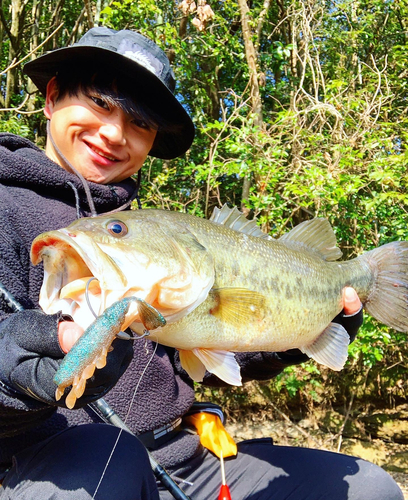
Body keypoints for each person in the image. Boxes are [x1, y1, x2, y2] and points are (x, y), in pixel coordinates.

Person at [0, 26, 402, 500]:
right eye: (100, 104)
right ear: (51, 98)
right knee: (104, 465)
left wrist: (297, 338)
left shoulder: (156, 228)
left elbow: (209, 350)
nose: (114, 134)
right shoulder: (9, 207)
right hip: (54, 472)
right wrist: (19, 371)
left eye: (140, 123)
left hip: (180, 462)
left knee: (368, 490)